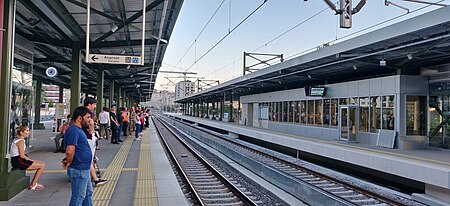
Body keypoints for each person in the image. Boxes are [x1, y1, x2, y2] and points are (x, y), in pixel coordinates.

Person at [63, 106, 94, 205]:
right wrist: (69, 162)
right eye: (88, 117)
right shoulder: (74, 130)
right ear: (80, 118)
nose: (89, 120)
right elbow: (69, 151)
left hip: (83, 168)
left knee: (88, 193)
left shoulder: (78, 129)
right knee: (78, 197)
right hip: (79, 169)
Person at [10, 125, 46, 190]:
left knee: (42, 163)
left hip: (17, 160)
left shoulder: (18, 140)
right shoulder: (20, 141)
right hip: (19, 161)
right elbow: (22, 155)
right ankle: (33, 185)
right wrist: (31, 160)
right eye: (27, 130)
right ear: (21, 132)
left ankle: (33, 184)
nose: (29, 132)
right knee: (42, 165)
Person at [83, 97, 107, 187]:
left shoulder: (82, 112)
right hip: (88, 137)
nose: (95, 106)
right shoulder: (88, 113)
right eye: (94, 104)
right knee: (89, 158)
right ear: (89, 104)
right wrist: (92, 132)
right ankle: (95, 179)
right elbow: (90, 126)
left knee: (90, 158)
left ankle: (93, 177)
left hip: (85, 137)